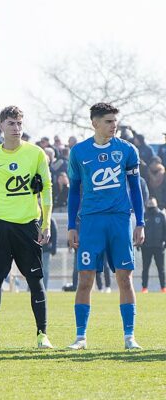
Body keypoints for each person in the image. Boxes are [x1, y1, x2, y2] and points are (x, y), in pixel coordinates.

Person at [0, 106, 53, 349]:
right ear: (1, 127)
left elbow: (47, 189)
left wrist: (46, 223)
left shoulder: (37, 154)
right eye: (11, 123)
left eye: (19, 123)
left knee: (35, 281)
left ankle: (42, 335)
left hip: (27, 226)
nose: (16, 128)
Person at [66, 103, 144, 350]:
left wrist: (140, 222)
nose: (114, 125)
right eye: (109, 121)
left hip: (120, 220)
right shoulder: (79, 152)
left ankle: (129, 337)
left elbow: (136, 189)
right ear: (95, 123)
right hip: (90, 222)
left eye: (115, 121)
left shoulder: (128, 150)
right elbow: (74, 193)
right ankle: (80, 337)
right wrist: (71, 225)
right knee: (85, 279)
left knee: (124, 278)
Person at [140, 198, 166, 293]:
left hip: (159, 247)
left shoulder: (161, 215)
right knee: (145, 269)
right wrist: (139, 243)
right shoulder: (144, 216)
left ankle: (163, 288)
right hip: (146, 247)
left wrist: (164, 243)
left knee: (161, 269)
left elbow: (165, 230)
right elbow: (139, 229)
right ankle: (144, 288)